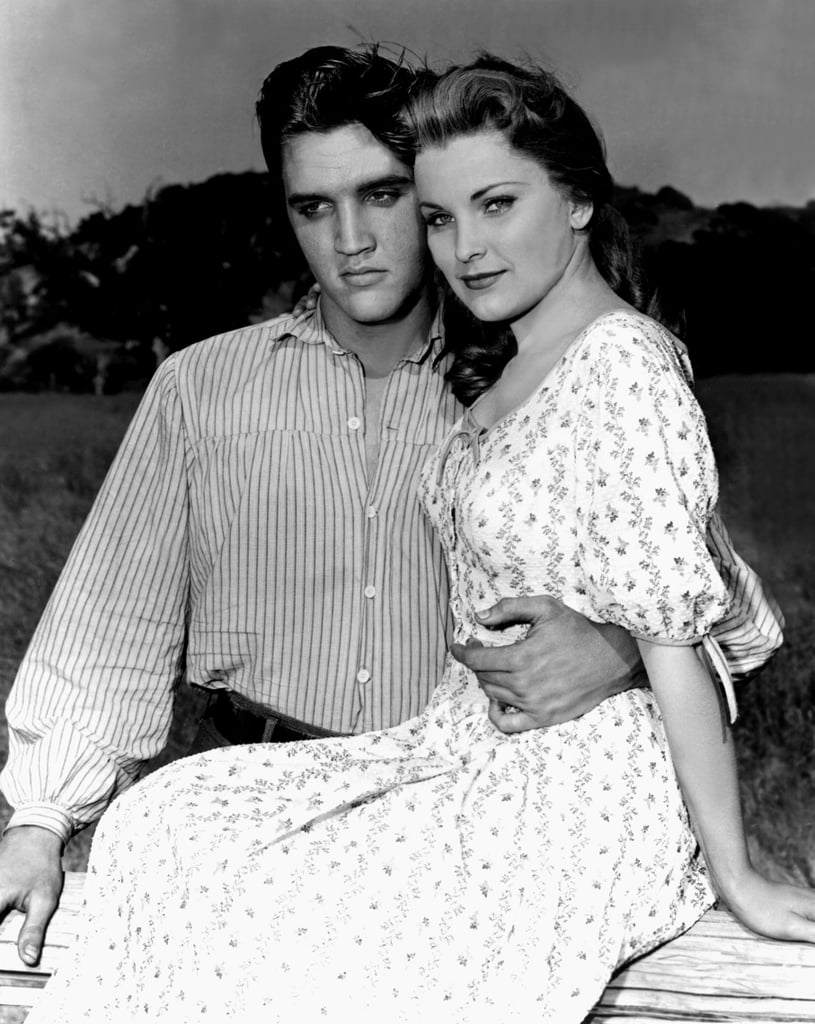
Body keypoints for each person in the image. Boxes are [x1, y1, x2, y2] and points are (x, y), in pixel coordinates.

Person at [20, 53, 810, 1024]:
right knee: (164, 838)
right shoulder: (201, 387)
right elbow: (110, 624)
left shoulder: (534, 377)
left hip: (482, 795)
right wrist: (39, 816)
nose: (351, 239)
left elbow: (711, 608)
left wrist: (611, 649)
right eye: (312, 207)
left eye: (385, 196)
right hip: (287, 772)